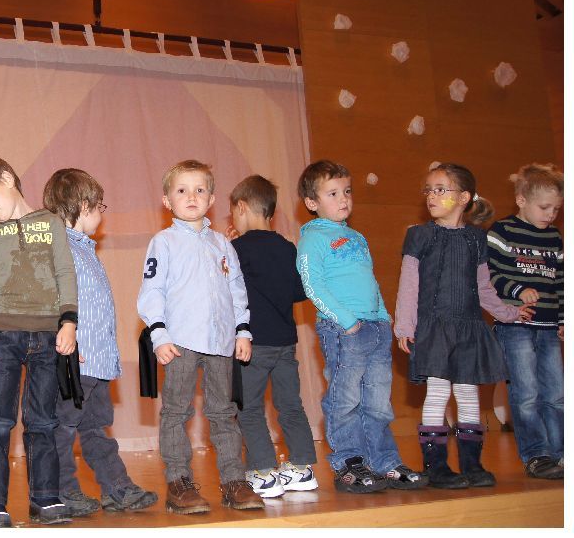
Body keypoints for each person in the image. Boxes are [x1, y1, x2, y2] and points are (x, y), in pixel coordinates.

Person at [0, 154, 78, 527]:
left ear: (7, 178)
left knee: (43, 420)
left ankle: (45, 498)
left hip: (47, 337)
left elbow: (65, 272)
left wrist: (69, 321)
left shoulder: (51, 223)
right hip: (1, 338)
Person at [137, 159, 264, 514]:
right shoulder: (163, 242)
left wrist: (242, 330)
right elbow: (152, 290)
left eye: (200, 190)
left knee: (224, 412)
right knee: (176, 411)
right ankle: (179, 482)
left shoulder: (222, 244)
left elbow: (236, 290)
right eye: (182, 190)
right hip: (179, 341)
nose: (191, 197)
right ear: (167, 201)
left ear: (211, 199)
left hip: (221, 342)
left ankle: (234, 481)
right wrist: (159, 334)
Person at [395, 163, 531, 489]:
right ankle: (437, 467)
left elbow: (483, 288)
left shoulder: (476, 239)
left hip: (469, 329)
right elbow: (409, 285)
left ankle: (472, 465)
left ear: (463, 197)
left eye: (440, 189)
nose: (431, 195)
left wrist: (509, 313)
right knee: (438, 393)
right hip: (435, 329)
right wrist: (404, 326)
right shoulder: (419, 236)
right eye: (429, 190)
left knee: (468, 395)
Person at [295, 159, 426, 494]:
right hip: (343, 330)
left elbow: (369, 279)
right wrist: (347, 322)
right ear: (312, 202)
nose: (343, 199)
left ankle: (384, 461)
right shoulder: (313, 238)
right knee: (346, 398)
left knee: (378, 401)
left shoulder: (356, 236)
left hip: (375, 327)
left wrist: (383, 316)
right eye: (333, 193)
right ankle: (349, 463)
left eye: (347, 191)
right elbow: (312, 285)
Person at [42, 168, 159, 517]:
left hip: (97, 364)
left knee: (95, 428)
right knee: (62, 428)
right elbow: (50, 303)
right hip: (74, 361)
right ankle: (61, 491)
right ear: (83, 205)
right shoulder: (59, 249)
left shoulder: (86, 251)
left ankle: (117, 488)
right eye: (99, 207)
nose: (101, 214)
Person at [227, 175, 318, 498]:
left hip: (251, 345)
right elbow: (299, 292)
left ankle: (263, 472)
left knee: (248, 408)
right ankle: (302, 468)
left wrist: (228, 250)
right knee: (290, 405)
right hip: (285, 344)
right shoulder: (286, 247)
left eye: (233, 213)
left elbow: (224, 288)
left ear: (241, 208)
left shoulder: (237, 249)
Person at [487, 162, 564, 480]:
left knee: (557, 393)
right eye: (544, 207)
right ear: (521, 200)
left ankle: (561, 452)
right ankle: (537, 455)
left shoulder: (555, 237)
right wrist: (517, 290)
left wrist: (563, 319)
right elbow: (489, 275)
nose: (551, 215)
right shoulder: (501, 232)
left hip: (548, 328)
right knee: (527, 392)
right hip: (515, 327)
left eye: (556, 209)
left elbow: (562, 282)